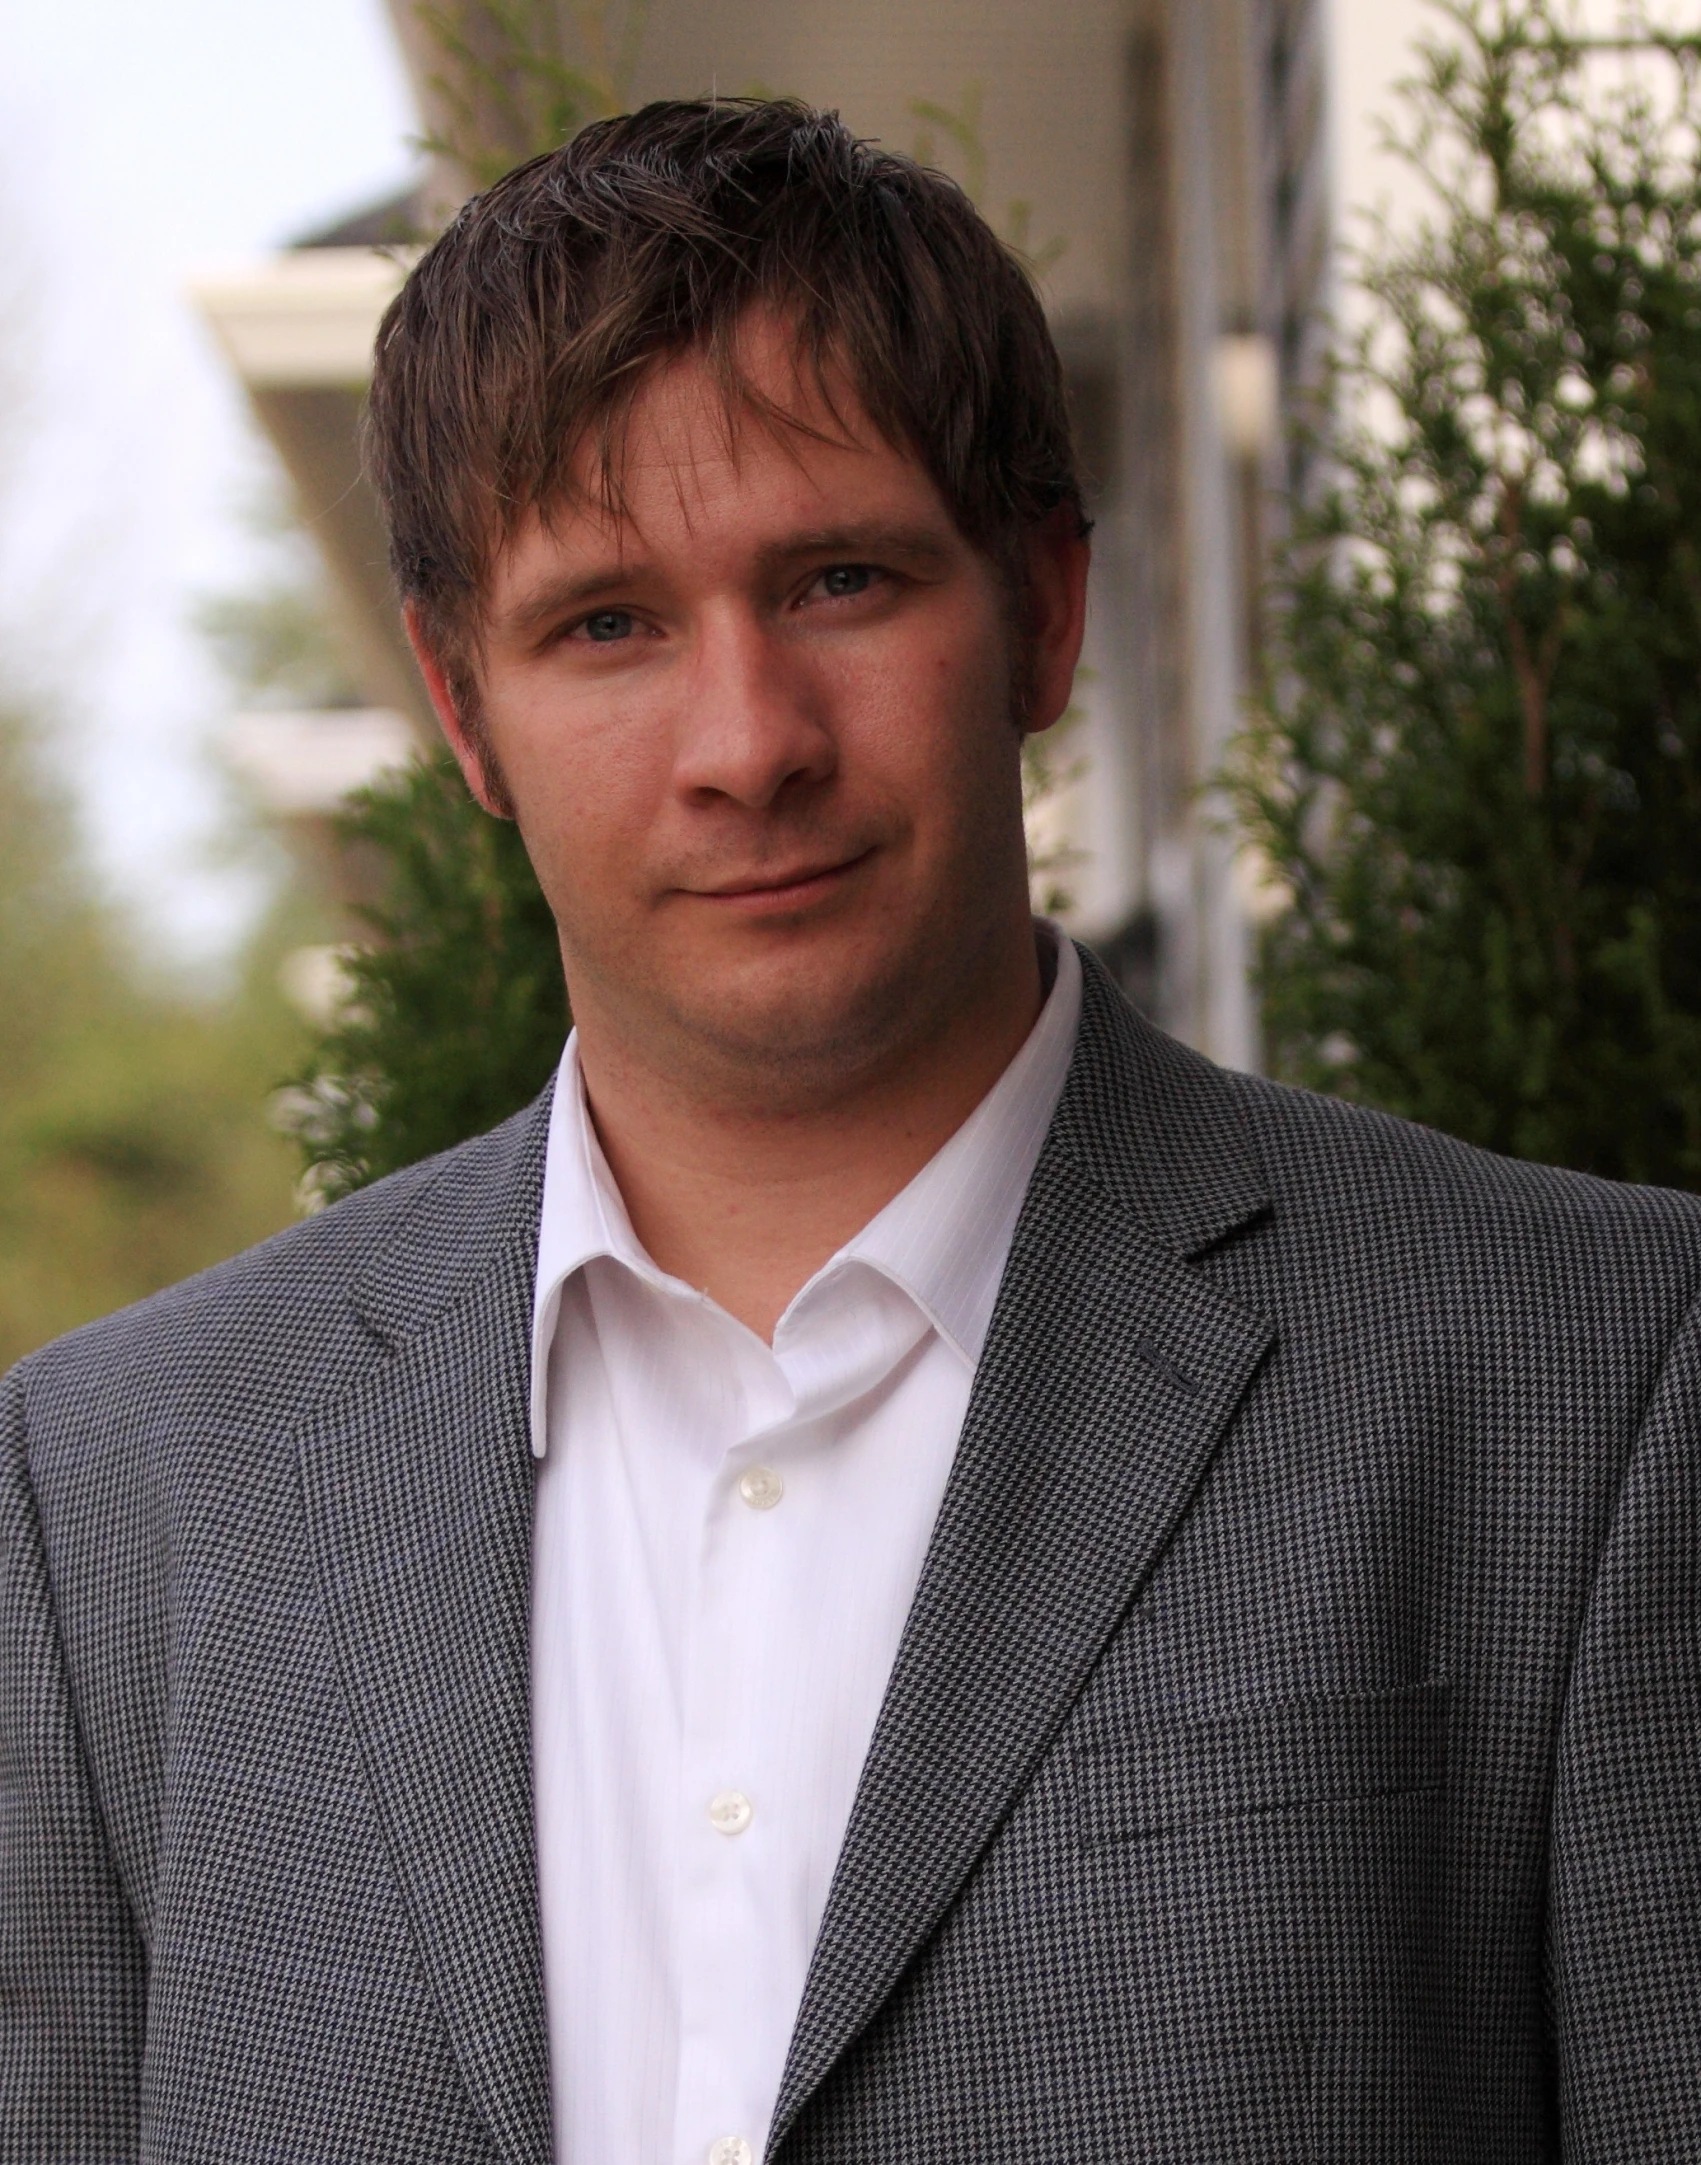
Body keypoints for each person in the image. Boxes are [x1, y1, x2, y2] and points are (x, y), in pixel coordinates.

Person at [3, 97, 1698, 2165]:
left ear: (1045, 614)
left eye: (838, 578)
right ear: (461, 712)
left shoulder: (1585, 1375)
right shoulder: (112, 1497)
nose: (746, 745)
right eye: (606, 623)